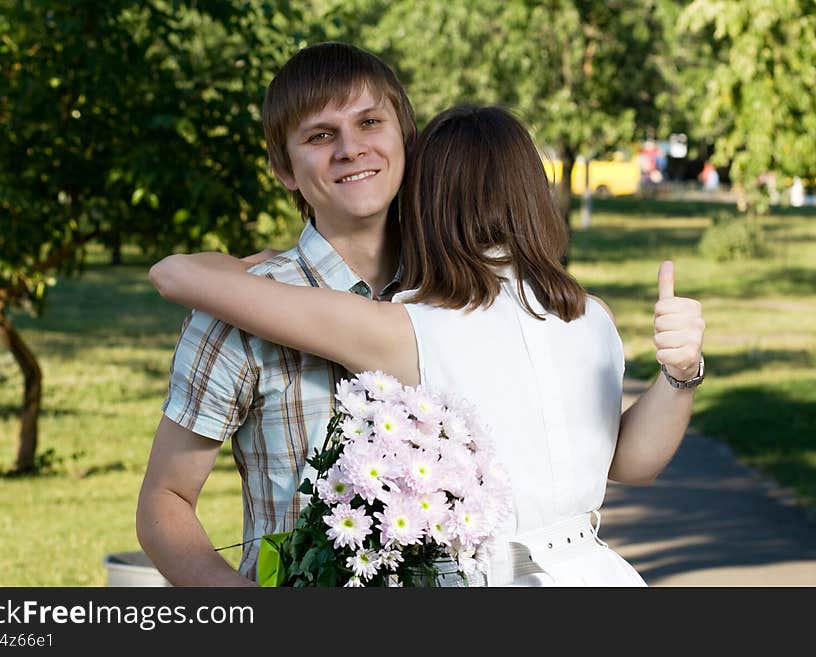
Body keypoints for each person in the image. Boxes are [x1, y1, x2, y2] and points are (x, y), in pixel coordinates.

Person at [150, 105, 707, 586]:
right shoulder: (589, 316)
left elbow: (177, 278)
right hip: (597, 574)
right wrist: (681, 374)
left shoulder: (408, 328)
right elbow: (632, 464)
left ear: (427, 204)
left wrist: (233, 267)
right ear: (534, 196)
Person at [136, 42, 416, 586]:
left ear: (404, 136)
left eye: (370, 122)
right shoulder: (237, 309)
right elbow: (164, 500)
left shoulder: (449, 292)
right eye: (319, 135)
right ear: (285, 169)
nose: (350, 149)